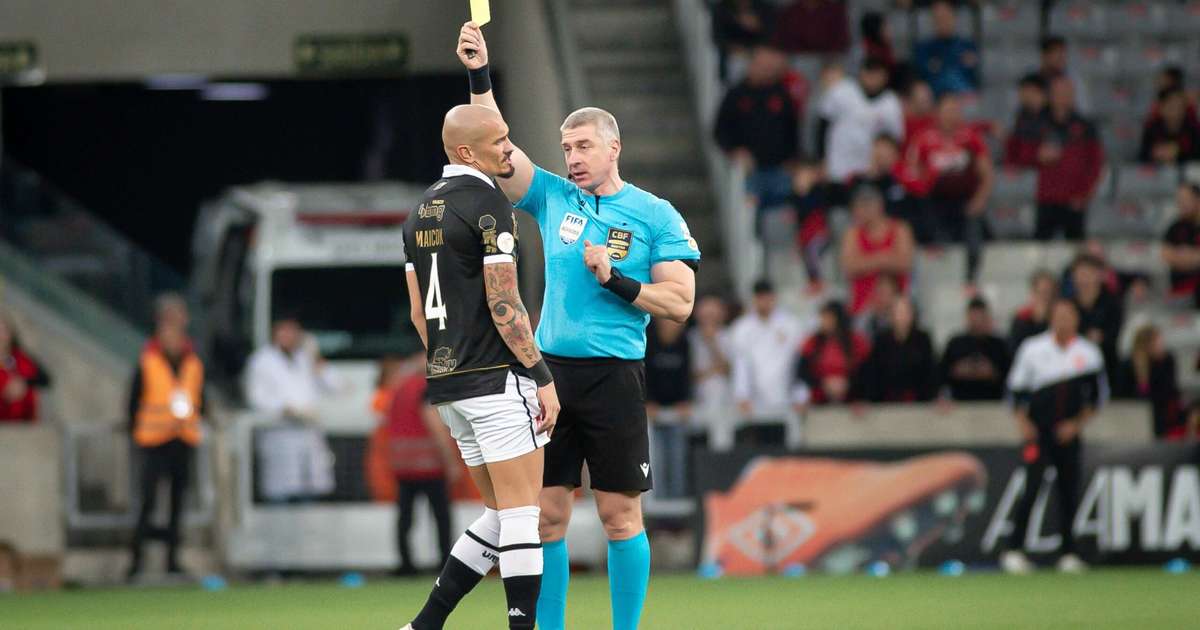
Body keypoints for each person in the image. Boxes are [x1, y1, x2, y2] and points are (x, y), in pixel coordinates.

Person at [456, 24, 701, 630]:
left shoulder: (653, 214)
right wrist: (480, 75)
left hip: (615, 375)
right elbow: (498, 150)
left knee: (620, 516)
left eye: (584, 146)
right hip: (550, 376)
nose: (573, 158)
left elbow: (680, 302)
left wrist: (616, 278)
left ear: (614, 147)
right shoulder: (553, 198)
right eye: (567, 148)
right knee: (546, 518)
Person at [398, 104, 561, 630]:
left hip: (448, 386)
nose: (509, 149)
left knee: (497, 515)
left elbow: (418, 312)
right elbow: (504, 303)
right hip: (495, 377)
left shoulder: (417, 213)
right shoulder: (490, 204)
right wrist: (540, 376)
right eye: (500, 141)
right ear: (467, 152)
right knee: (521, 516)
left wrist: (450, 363)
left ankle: (424, 625)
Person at [1002, 299, 1107, 575]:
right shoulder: (1033, 349)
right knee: (1032, 487)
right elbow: (1015, 391)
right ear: (1051, 317)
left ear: (1076, 319)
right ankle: (1014, 549)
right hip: (1039, 433)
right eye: (1058, 315)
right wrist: (1024, 424)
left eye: (1068, 315)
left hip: (1069, 434)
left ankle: (1069, 553)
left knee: (1069, 492)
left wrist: (1076, 424)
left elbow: (1097, 398)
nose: (1063, 320)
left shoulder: (1088, 353)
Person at [126, 317, 204, 580]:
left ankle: (172, 560)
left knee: (177, 503)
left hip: (182, 440)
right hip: (153, 441)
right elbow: (134, 401)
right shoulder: (148, 363)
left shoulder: (193, 364)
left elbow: (200, 398)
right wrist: (134, 432)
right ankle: (137, 561)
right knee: (147, 501)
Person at [381, 348, 461, 577]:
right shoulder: (426, 387)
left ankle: (405, 562)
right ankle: (445, 562)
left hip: (403, 464)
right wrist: (451, 461)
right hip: (428, 464)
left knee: (405, 516)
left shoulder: (399, 386)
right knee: (440, 515)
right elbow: (434, 424)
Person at [904, 91, 993, 287]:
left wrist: (979, 200)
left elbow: (986, 174)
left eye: (955, 110)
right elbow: (911, 172)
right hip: (934, 202)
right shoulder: (924, 139)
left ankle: (971, 277)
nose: (951, 115)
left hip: (965, 200)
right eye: (947, 110)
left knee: (975, 224)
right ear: (937, 112)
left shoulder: (971, 138)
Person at [245, 315, 337, 502]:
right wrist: (283, 408)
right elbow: (256, 396)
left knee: (309, 500)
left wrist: (316, 358)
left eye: (293, 331)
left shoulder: (306, 359)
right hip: (280, 437)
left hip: (308, 439)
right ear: (275, 333)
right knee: (279, 499)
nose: (288, 336)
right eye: (284, 331)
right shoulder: (262, 361)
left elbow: (337, 386)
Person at [715, 45, 801, 223]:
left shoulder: (781, 94)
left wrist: (793, 159)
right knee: (748, 215)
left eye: (769, 66)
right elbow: (720, 130)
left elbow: (793, 129)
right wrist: (735, 151)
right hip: (750, 172)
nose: (766, 70)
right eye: (761, 65)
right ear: (751, 65)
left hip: (779, 169)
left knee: (784, 212)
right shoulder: (736, 95)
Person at [730, 280, 807, 442]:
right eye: (760, 298)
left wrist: (800, 395)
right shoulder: (742, 328)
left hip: (787, 400)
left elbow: (798, 363)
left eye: (767, 298)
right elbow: (742, 365)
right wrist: (742, 395)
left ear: (774, 298)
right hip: (756, 404)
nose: (764, 303)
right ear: (754, 299)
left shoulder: (791, 325)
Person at [1032, 76, 1104, 241]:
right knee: (1040, 248)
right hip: (1046, 199)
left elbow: (1096, 163)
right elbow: (1017, 154)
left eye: (1067, 92)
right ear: (1050, 95)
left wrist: (1085, 194)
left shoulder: (1086, 126)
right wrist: (1037, 155)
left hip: (1074, 200)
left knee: (1075, 247)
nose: (1063, 96)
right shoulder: (1038, 122)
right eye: (1058, 92)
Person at [818, 59, 905, 184]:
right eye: (869, 72)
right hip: (837, 165)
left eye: (877, 74)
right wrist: (821, 158)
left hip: (869, 170)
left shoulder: (891, 103)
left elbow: (894, 140)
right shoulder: (841, 91)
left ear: (885, 76)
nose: (872, 78)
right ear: (861, 73)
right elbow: (823, 124)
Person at [840, 185, 914, 316]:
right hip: (863, 308)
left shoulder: (899, 229)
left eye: (860, 208)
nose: (856, 213)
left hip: (896, 309)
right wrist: (884, 258)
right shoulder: (853, 233)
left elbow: (905, 263)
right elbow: (849, 267)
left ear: (876, 207)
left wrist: (866, 261)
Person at [645, 318, 692, 499]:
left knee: (677, 460)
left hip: (677, 412)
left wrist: (686, 400)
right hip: (652, 413)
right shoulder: (648, 341)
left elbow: (687, 375)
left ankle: (676, 516)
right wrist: (647, 400)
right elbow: (643, 373)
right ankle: (658, 512)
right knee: (655, 462)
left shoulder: (685, 344)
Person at [859, 297, 938, 402]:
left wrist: (935, 397)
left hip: (919, 401)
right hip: (886, 401)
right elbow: (873, 372)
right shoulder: (881, 340)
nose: (902, 316)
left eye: (906, 312)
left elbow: (931, 371)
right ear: (891, 315)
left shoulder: (923, 339)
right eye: (898, 312)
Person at [1117, 326, 1186, 441]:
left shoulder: (1167, 360)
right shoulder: (1128, 364)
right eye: (1158, 343)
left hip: (1164, 409)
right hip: (1137, 412)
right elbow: (1123, 394)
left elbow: (1169, 389)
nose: (1162, 346)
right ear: (1147, 345)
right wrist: (1142, 377)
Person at [799, 301, 870, 405]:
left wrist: (848, 384)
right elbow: (803, 372)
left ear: (838, 319)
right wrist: (823, 384)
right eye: (822, 318)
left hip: (852, 402)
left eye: (827, 318)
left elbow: (866, 372)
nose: (823, 322)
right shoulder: (813, 342)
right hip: (819, 401)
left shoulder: (856, 341)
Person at [1069, 254, 1123, 389]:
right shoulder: (1068, 305)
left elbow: (1114, 333)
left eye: (1087, 274)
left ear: (1098, 275)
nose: (1083, 279)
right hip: (1073, 361)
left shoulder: (1113, 303)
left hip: (1107, 360)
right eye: (1080, 274)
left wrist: (1102, 337)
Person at [941, 298, 1011, 401]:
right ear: (967, 318)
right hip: (959, 403)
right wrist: (959, 370)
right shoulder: (955, 343)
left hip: (992, 403)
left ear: (987, 317)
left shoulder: (999, 345)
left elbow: (1009, 375)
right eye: (974, 318)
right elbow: (942, 374)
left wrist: (991, 372)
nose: (977, 323)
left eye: (980, 318)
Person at [689, 296, 735, 451]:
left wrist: (712, 343)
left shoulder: (729, 336)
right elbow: (691, 374)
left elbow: (729, 370)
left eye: (712, 315)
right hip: (696, 403)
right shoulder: (690, 338)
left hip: (724, 404)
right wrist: (714, 370)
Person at [912, 0, 979, 96]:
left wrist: (939, 65)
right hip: (936, 97)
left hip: (962, 97)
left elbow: (971, 74)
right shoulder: (924, 48)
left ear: (954, 17)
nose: (943, 22)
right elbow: (925, 73)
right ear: (933, 20)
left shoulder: (968, 46)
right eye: (939, 19)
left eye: (946, 17)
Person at [787, 158, 833, 292]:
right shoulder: (794, 196)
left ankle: (818, 280)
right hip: (804, 234)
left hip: (819, 232)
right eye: (800, 175)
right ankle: (811, 281)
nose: (803, 179)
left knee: (812, 251)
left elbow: (813, 209)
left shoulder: (818, 192)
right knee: (803, 253)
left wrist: (804, 193)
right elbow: (796, 215)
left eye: (806, 175)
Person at [0, 315, 50, 423]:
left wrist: (25, 383)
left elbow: (45, 379)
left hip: (23, 425)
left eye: (3, 331)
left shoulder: (21, 357)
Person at [711, 0, 773, 81]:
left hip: (761, 54)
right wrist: (734, 48)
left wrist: (757, 26)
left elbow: (773, 34)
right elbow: (717, 38)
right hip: (733, 58)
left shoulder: (763, 7)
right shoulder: (722, 9)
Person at [1161, 183, 1200, 306]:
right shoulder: (1175, 227)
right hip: (1179, 292)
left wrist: (1182, 256)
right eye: (1178, 200)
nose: (1180, 204)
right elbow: (1166, 255)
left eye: (1185, 199)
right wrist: (1193, 257)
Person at [1139, 88, 1200, 166]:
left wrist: (1178, 153)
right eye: (1171, 106)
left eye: (1180, 106)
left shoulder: (1193, 128)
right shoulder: (1152, 128)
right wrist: (1155, 154)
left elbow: (1196, 158)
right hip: (1157, 174)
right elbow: (1142, 157)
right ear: (1161, 107)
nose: (1176, 111)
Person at [772, 0, 850, 55]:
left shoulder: (834, 10)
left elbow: (842, 40)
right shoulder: (791, 11)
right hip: (796, 59)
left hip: (828, 59)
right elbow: (782, 39)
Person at [1004, 74, 1048, 168]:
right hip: (1022, 171)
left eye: (1028, 90)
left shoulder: (1052, 118)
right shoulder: (1021, 116)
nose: (1024, 95)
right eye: (1022, 91)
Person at [1037, 36, 1089, 114]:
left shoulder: (1073, 80)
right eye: (1056, 53)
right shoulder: (1032, 80)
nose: (1061, 57)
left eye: (1063, 53)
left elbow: (1084, 110)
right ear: (1044, 56)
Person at [1009, 269, 1057, 353]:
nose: (1045, 297)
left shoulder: (1059, 317)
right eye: (1041, 292)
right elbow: (1015, 349)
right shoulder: (1021, 317)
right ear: (1033, 293)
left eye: (1048, 292)